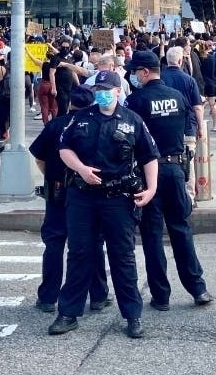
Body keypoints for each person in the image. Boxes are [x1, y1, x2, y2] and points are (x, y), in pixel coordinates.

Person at [50, 70, 159, 340]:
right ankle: (68, 314)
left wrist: (151, 189)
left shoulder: (133, 120)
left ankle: (132, 316)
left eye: (107, 88)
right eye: (99, 88)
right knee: (79, 254)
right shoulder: (80, 118)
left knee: (122, 258)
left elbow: (149, 156)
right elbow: (64, 148)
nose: (103, 92)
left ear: (119, 91)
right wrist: (81, 169)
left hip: (118, 199)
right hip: (83, 196)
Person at [125, 53, 213, 311]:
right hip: (175, 169)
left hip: (148, 172)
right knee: (181, 230)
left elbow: (131, 138)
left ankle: (161, 296)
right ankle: (198, 288)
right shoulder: (177, 96)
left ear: (143, 72)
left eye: (135, 72)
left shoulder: (136, 100)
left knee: (152, 234)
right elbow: (187, 126)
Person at [28, 85, 112, 314]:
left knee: (55, 244)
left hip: (57, 192)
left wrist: (52, 176)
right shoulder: (95, 126)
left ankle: (48, 297)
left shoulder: (55, 125)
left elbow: (38, 157)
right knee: (93, 243)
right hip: (88, 193)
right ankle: (98, 295)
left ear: (70, 103)